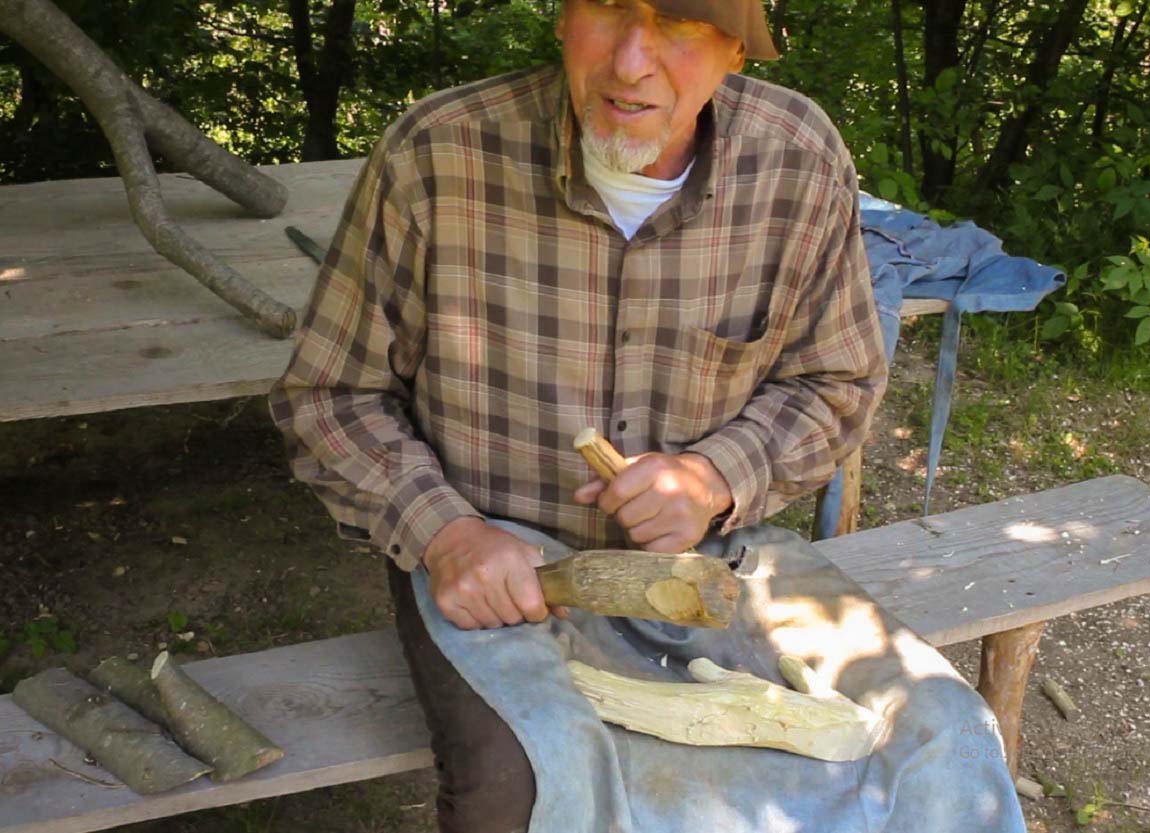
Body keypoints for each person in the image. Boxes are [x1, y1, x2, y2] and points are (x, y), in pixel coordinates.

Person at [270, 1, 892, 829]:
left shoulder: (798, 162)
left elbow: (838, 380)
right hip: (489, 567)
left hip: (705, 562)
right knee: (517, 787)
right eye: (607, 8)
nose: (631, 61)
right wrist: (447, 534)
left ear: (736, 51)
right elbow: (329, 394)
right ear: (562, 19)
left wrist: (714, 476)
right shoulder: (438, 153)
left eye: (677, 25)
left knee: (856, 765)